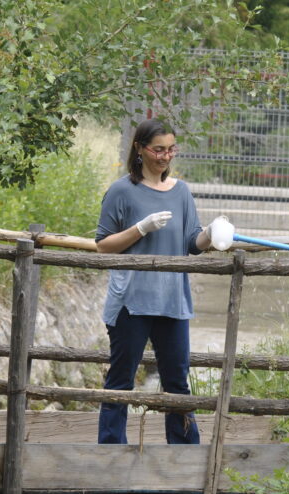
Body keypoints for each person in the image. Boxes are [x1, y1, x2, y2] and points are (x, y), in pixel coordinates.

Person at [95, 118, 214, 444]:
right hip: (131, 301)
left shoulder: (181, 192)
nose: (165, 156)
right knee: (121, 379)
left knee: (177, 381)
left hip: (172, 299)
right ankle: (109, 449)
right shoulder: (122, 191)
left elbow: (192, 243)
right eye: (158, 149)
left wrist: (210, 236)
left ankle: (185, 452)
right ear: (140, 149)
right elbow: (103, 246)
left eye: (171, 149)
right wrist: (141, 228)